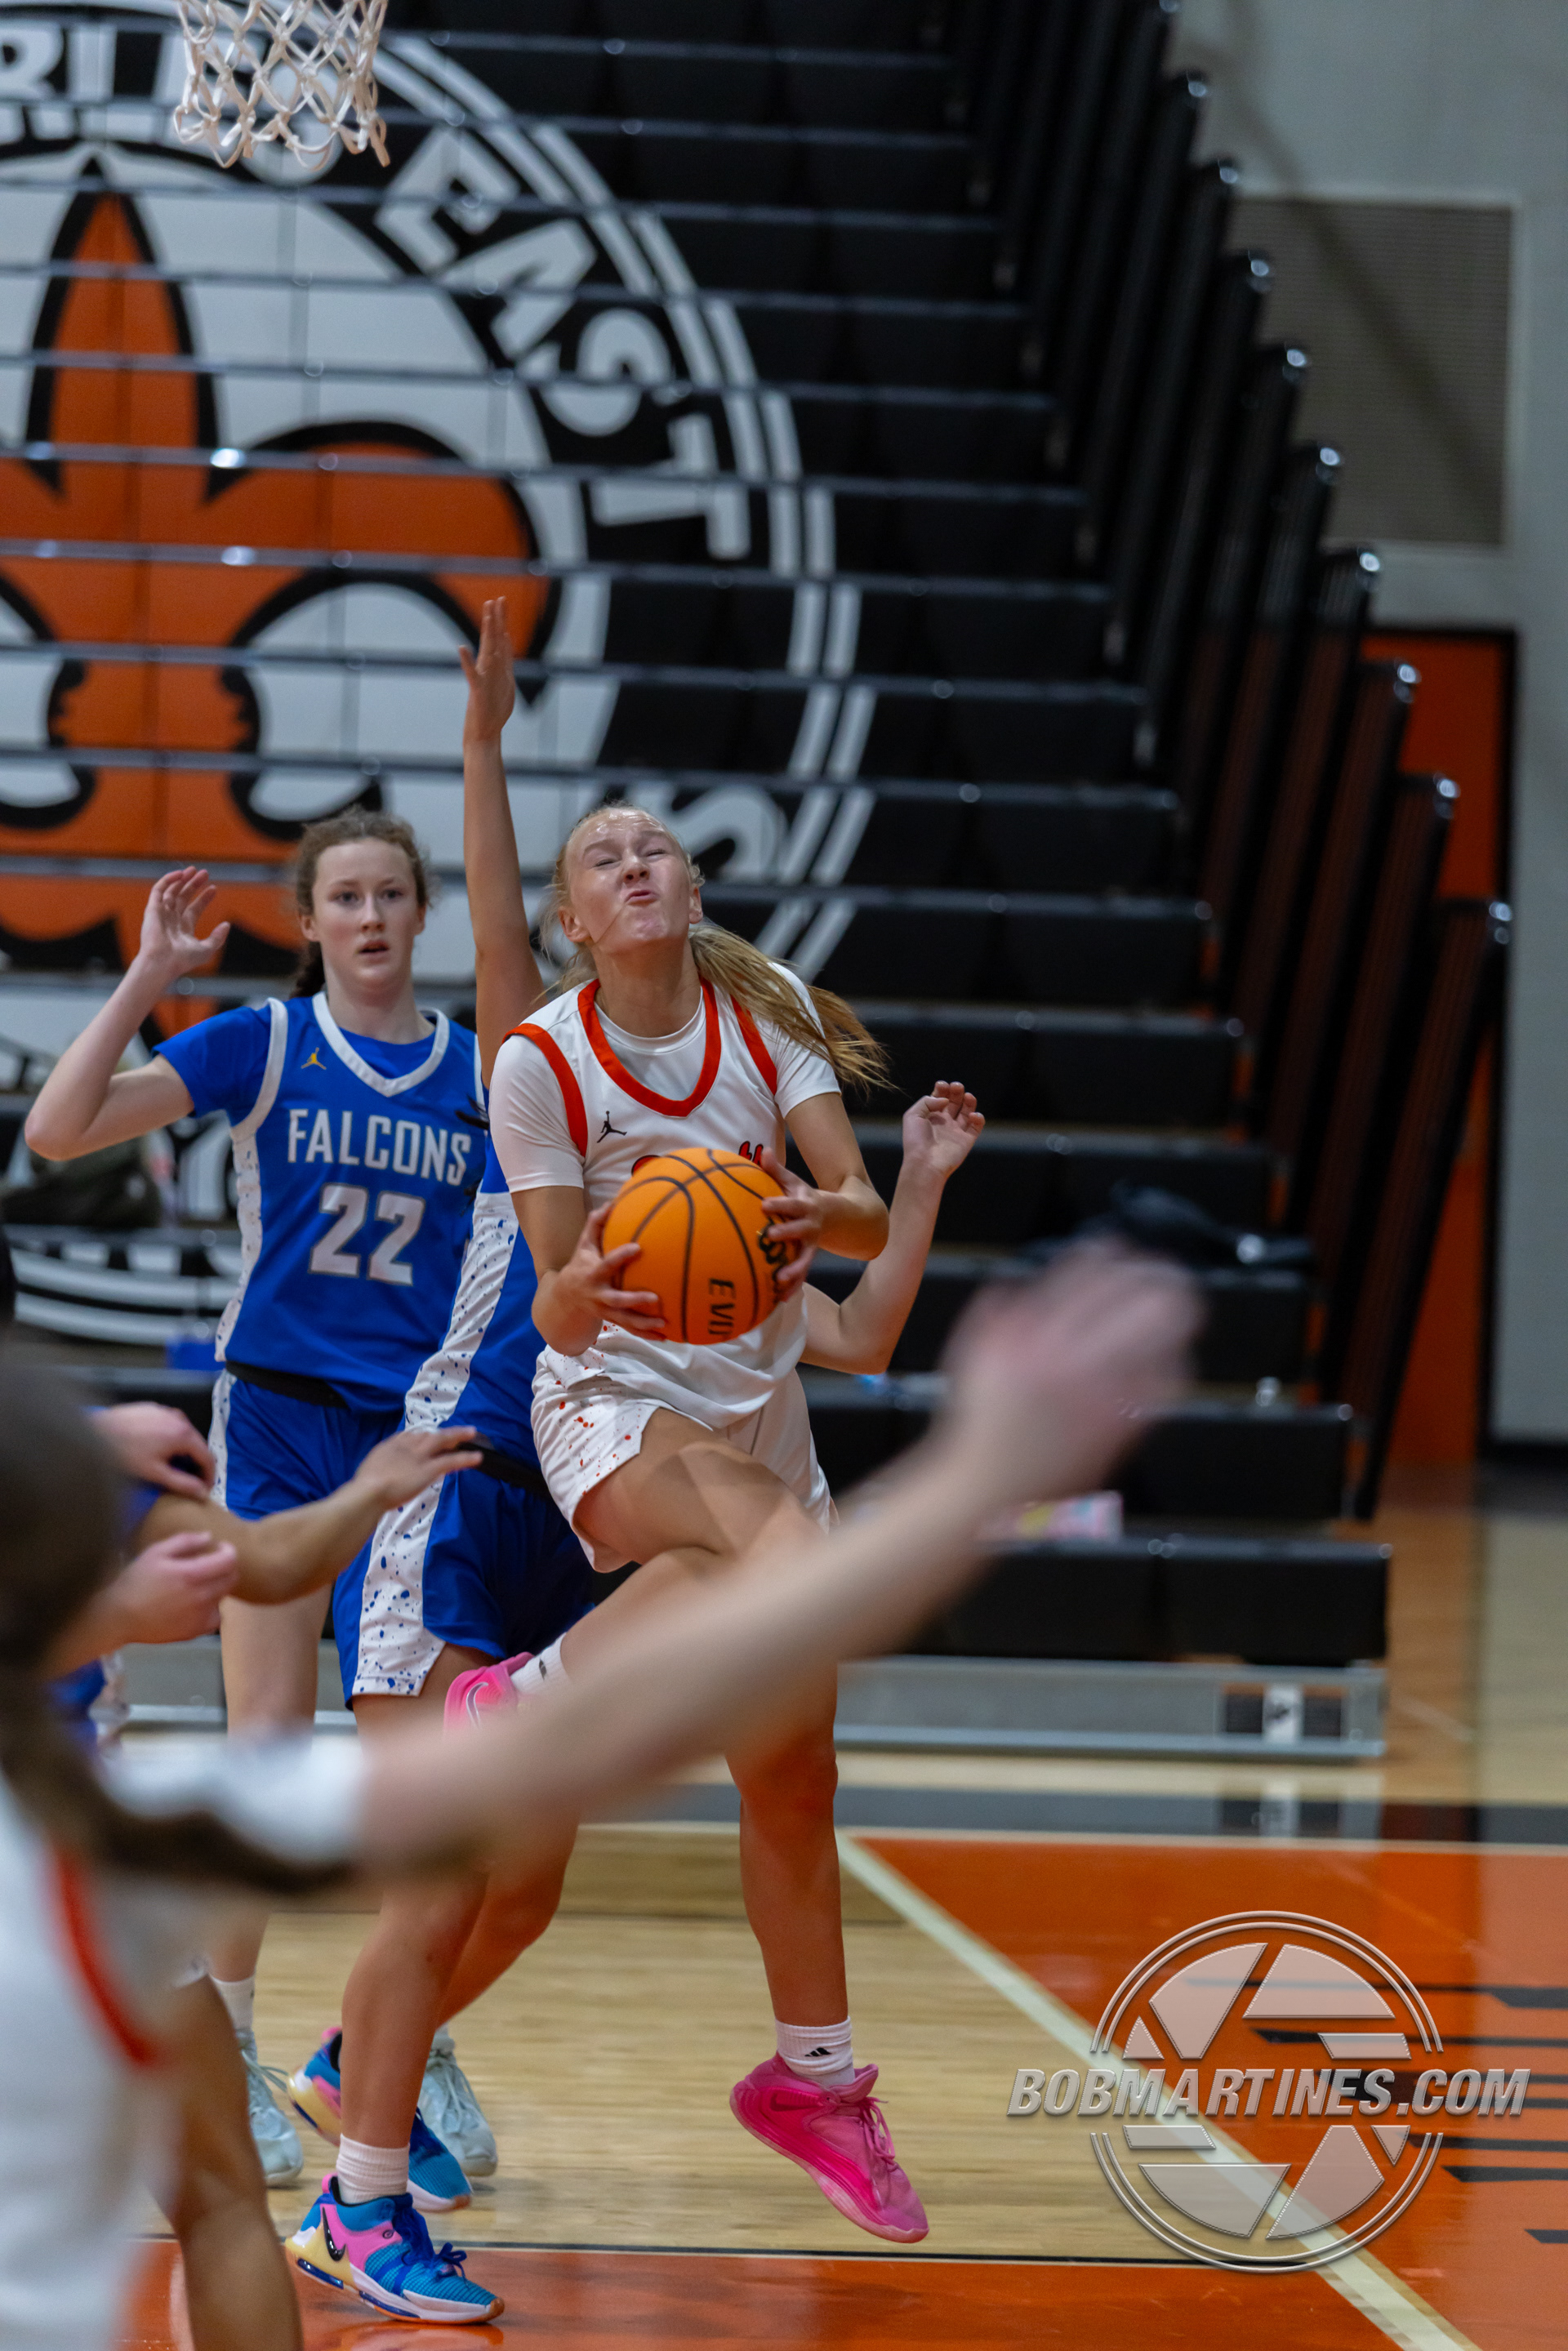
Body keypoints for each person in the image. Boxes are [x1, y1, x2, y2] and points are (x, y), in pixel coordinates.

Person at [0, 1248, 1196, 2348]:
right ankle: (362, 2192)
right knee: (256, 2150)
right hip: (467, 1509)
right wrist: (978, 1476)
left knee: (512, 1899)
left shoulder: (136, 1837)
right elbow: (585, 1737)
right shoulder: (141, 1841)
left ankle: (359, 2095)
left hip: (538, 1517)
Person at [476, 777, 949, 2242]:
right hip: (609, 1400)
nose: (634, 865)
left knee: (793, 1779)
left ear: (690, 890)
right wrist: (596, 1272)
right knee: (788, 1559)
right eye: (602, 857)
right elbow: (553, 1308)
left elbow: (853, 1208)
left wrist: (818, 1214)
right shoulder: (543, 1061)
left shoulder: (767, 1014)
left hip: (758, 1409)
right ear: (572, 917)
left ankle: (816, 2080)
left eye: (656, 849)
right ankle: (526, 1705)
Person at [23, 819, 487, 2180]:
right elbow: (58, 1130)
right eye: (345, 896)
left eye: (391, 892)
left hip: (414, 1435)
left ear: (423, 911)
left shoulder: (479, 1073)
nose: (371, 915)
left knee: (423, 1772)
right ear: (312, 920)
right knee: (270, 1742)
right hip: (280, 1421)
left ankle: (404, 2038)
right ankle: (222, 2036)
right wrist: (149, 977)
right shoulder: (267, 1043)